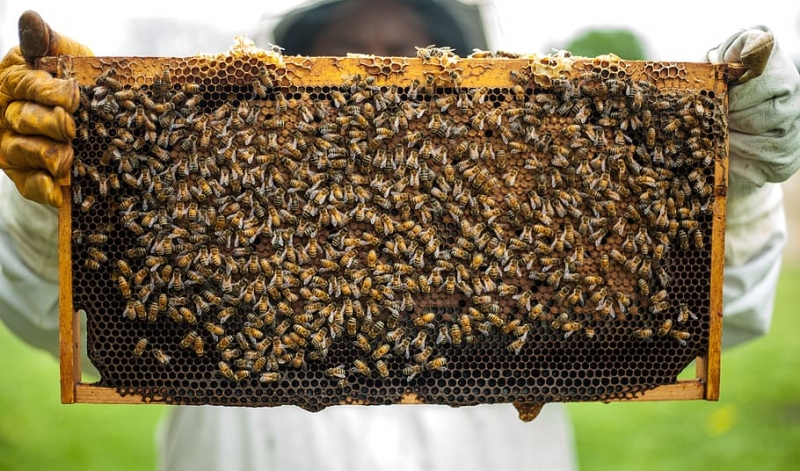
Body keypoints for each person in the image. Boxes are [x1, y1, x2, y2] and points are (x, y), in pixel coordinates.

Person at [1, 2, 798, 470]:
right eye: (344, 53)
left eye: (405, 53)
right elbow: (56, 316)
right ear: (286, 74)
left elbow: (710, 311)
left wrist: (741, 179)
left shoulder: (527, 207)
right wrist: (65, 197)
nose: (377, 75)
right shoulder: (190, 200)